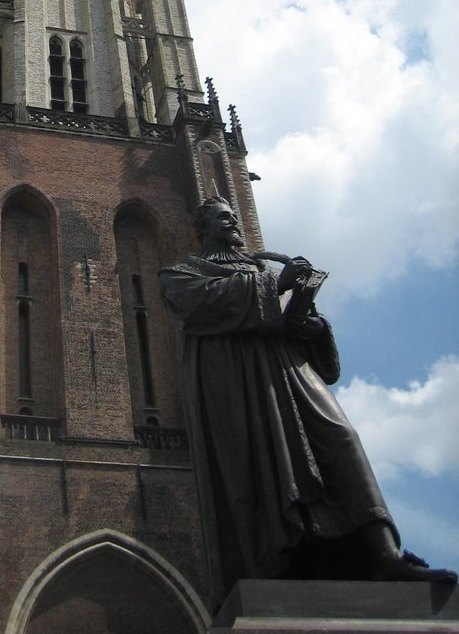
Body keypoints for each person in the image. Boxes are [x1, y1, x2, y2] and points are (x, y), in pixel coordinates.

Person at [159, 196, 456, 611]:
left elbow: (305, 341)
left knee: (341, 437)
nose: (234, 225)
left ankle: (385, 556)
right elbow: (195, 303)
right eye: (225, 219)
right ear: (203, 227)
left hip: (287, 368)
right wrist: (274, 286)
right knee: (258, 468)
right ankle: (278, 566)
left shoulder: (260, 266)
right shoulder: (183, 271)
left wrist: (312, 326)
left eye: (234, 217)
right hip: (239, 381)